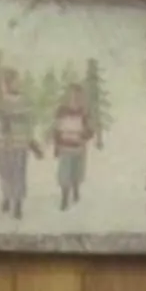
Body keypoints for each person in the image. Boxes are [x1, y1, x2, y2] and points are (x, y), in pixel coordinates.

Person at [0, 55, 33, 218]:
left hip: (19, 143)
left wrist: (12, 119)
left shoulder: (24, 101)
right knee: (5, 171)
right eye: (13, 81)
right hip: (4, 144)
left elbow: (27, 120)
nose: (17, 84)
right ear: (6, 83)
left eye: (17, 81)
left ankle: (18, 202)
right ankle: (6, 196)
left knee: (18, 172)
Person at [50, 82, 92, 210]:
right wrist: (56, 145)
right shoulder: (61, 111)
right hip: (65, 147)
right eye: (73, 95)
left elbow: (90, 130)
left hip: (78, 147)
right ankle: (64, 197)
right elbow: (56, 129)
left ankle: (75, 190)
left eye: (78, 96)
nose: (75, 99)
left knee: (76, 171)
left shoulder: (84, 112)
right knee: (65, 173)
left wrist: (85, 136)